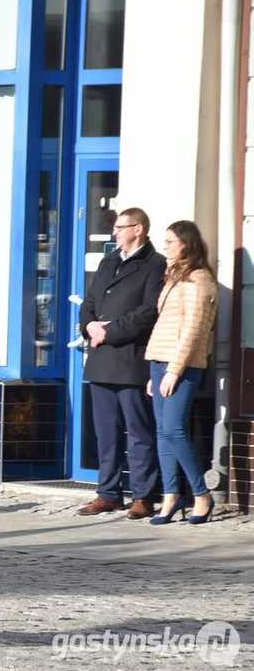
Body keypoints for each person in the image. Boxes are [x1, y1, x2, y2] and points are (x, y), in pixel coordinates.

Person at [77, 207, 166, 519]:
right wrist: (89, 326)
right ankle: (108, 492)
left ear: (138, 229)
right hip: (100, 360)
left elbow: (148, 311)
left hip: (130, 361)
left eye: (120, 227)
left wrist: (109, 331)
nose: (114, 232)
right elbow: (89, 302)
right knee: (106, 433)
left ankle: (143, 495)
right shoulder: (109, 260)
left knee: (138, 432)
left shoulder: (155, 264)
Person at [146, 220, 218, 525]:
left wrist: (174, 371)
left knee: (175, 430)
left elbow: (193, 331)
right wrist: (156, 371)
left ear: (187, 244)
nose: (166, 247)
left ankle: (201, 495)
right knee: (162, 432)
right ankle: (170, 496)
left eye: (171, 242)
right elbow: (165, 324)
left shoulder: (199, 280)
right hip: (159, 361)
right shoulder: (175, 276)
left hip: (184, 365)